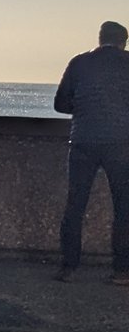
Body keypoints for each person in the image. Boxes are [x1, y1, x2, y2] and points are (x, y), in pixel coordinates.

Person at [53, 20, 129, 284]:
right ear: (124, 42)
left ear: (100, 39)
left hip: (83, 141)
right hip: (121, 144)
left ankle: (69, 268)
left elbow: (60, 104)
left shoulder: (79, 63)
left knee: (75, 205)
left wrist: (85, 109)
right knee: (124, 207)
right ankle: (122, 271)